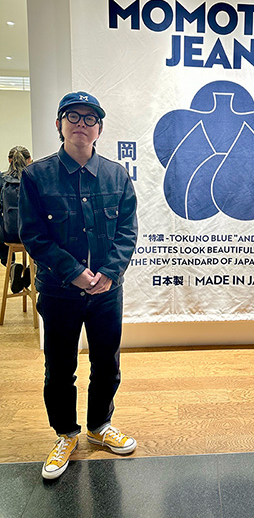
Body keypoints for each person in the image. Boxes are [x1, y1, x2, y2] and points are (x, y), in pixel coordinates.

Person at [19, 91, 138, 480]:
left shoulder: (117, 176)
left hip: (107, 292)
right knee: (59, 368)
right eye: (73, 117)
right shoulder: (36, 176)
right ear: (59, 124)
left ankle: (100, 426)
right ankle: (65, 433)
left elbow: (127, 231)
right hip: (59, 292)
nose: (81, 125)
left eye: (90, 119)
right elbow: (33, 235)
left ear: (99, 128)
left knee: (107, 362)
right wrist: (74, 272)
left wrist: (109, 273)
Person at [0, 146, 32, 292]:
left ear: (9, 160)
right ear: (29, 160)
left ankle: (12, 265)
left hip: (9, 235)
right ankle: (35, 266)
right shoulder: (34, 178)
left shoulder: (2, 179)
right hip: (30, 235)